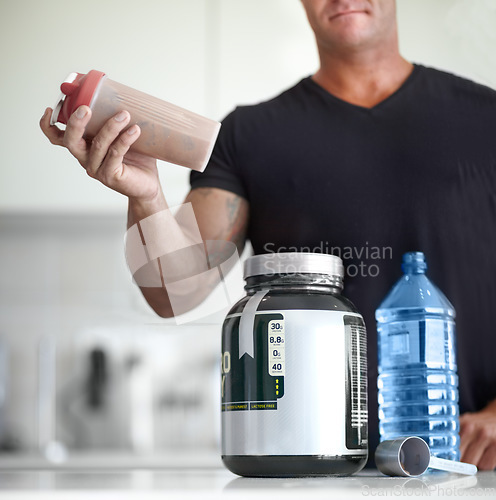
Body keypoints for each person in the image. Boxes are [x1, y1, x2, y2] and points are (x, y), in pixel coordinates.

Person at [41, 0, 496, 470]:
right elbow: (172, 292)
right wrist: (146, 195)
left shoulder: (487, 119)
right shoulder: (249, 136)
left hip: (471, 469)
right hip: (305, 473)